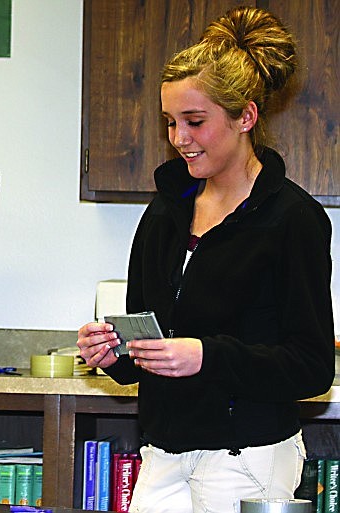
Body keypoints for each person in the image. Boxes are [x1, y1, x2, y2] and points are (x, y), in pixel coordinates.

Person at [76, 6, 335, 513]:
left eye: (195, 121)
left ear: (246, 117)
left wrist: (206, 356)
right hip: (163, 453)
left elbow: (311, 368)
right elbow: (145, 348)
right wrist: (114, 353)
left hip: (248, 460)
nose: (179, 139)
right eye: (171, 122)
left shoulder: (293, 219)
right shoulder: (165, 210)